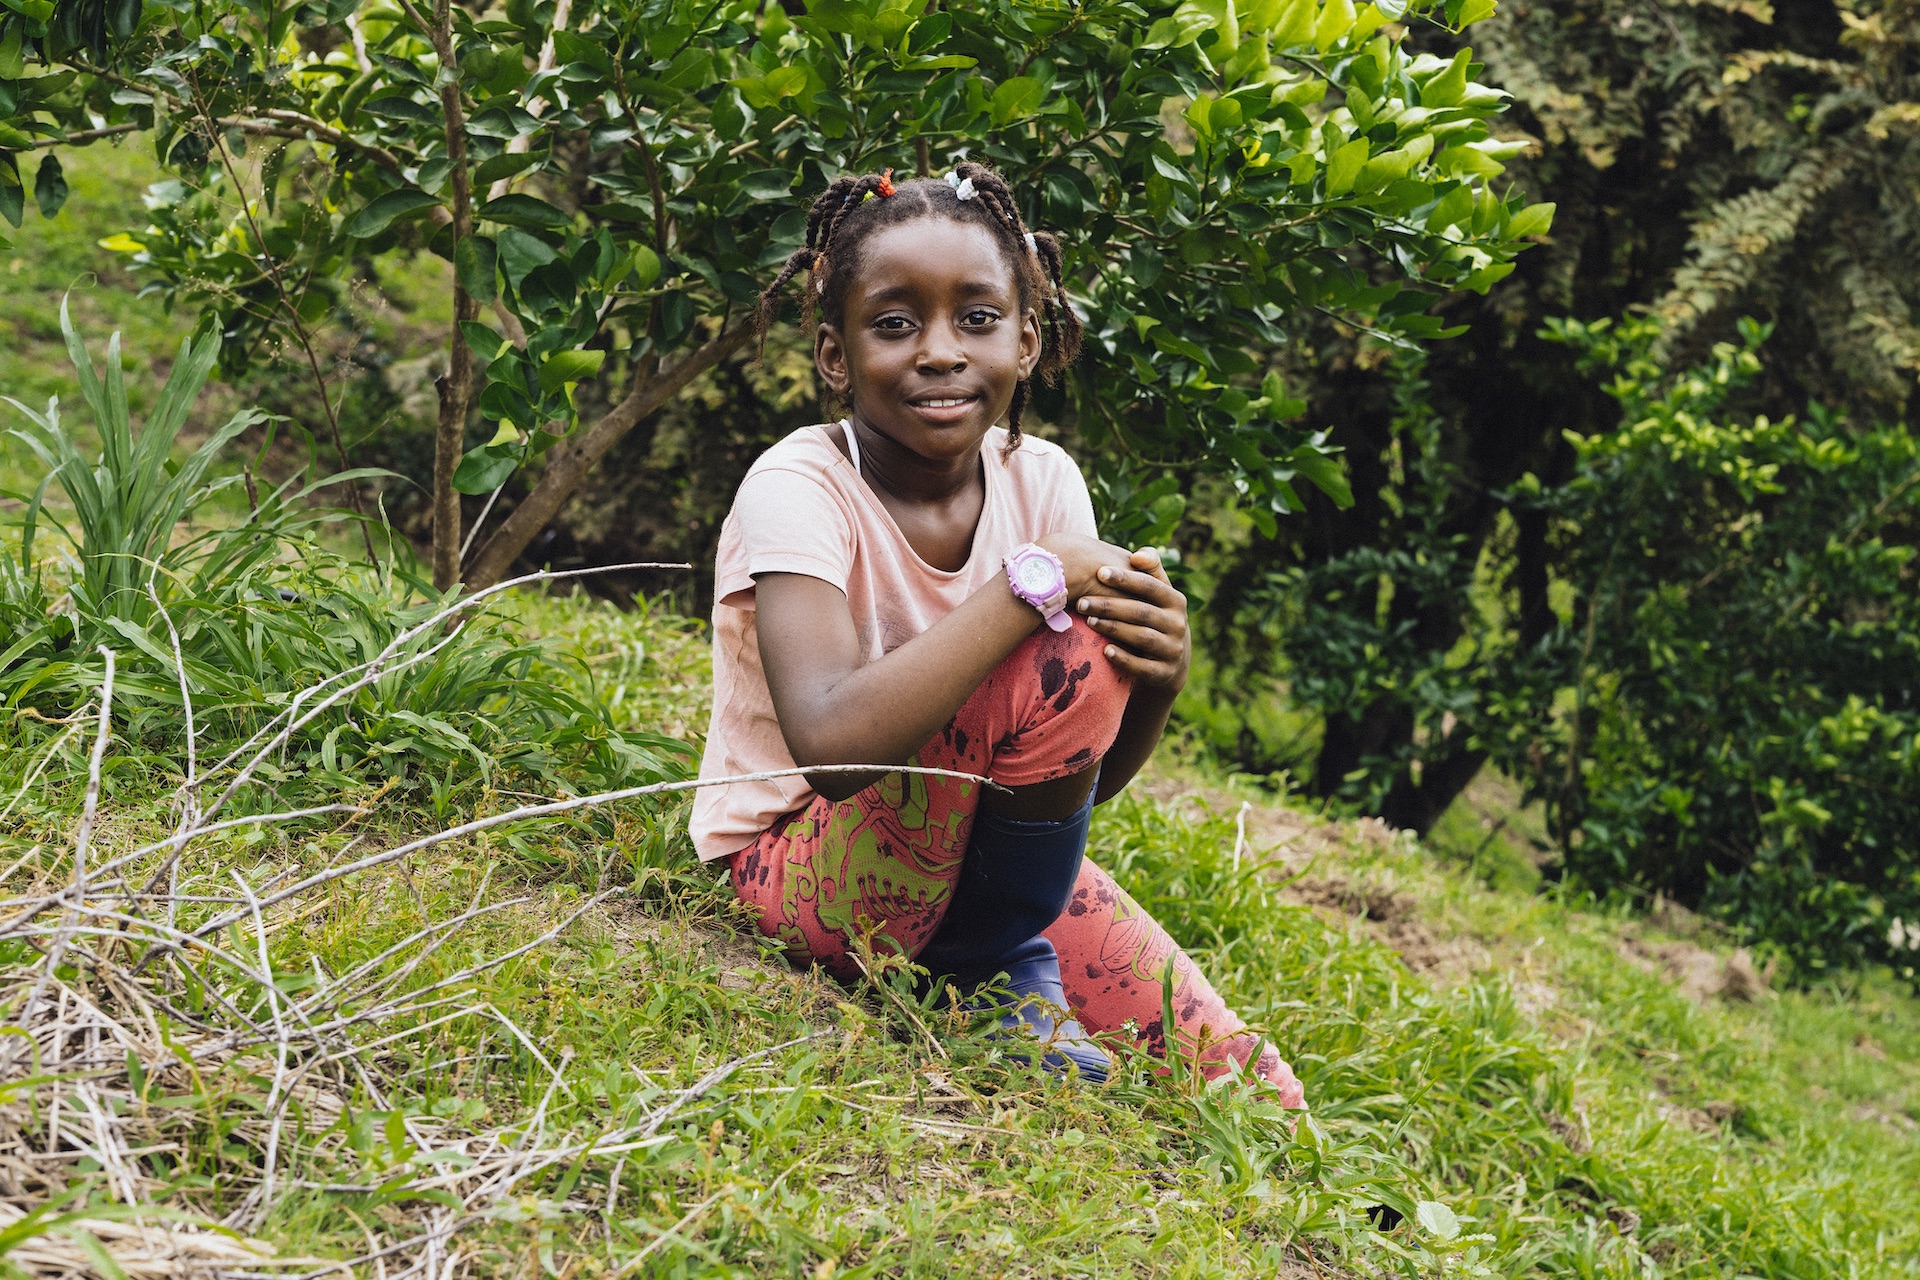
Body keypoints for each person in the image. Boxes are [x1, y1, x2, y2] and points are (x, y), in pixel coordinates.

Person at [690, 161, 1304, 1106]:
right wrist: (1031, 584)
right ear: (834, 355)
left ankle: (991, 960)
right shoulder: (800, 488)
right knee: (1059, 641)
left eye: (976, 319)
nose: (940, 351)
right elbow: (832, 748)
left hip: (980, 870)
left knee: (1249, 1086)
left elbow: (1068, 783)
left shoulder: (1043, 482)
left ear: (1025, 341)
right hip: (800, 865)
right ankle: (987, 979)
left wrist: (1159, 676)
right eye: (894, 324)